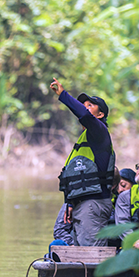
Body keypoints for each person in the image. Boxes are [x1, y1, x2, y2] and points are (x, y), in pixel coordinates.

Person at [50, 78, 115, 246]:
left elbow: (84, 116)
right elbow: (75, 174)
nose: (85, 108)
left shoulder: (100, 132)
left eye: (90, 105)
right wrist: (70, 202)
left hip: (94, 203)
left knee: (92, 255)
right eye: (84, 104)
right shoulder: (84, 140)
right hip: (81, 202)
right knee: (80, 252)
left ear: (100, 114)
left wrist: (63, 95)